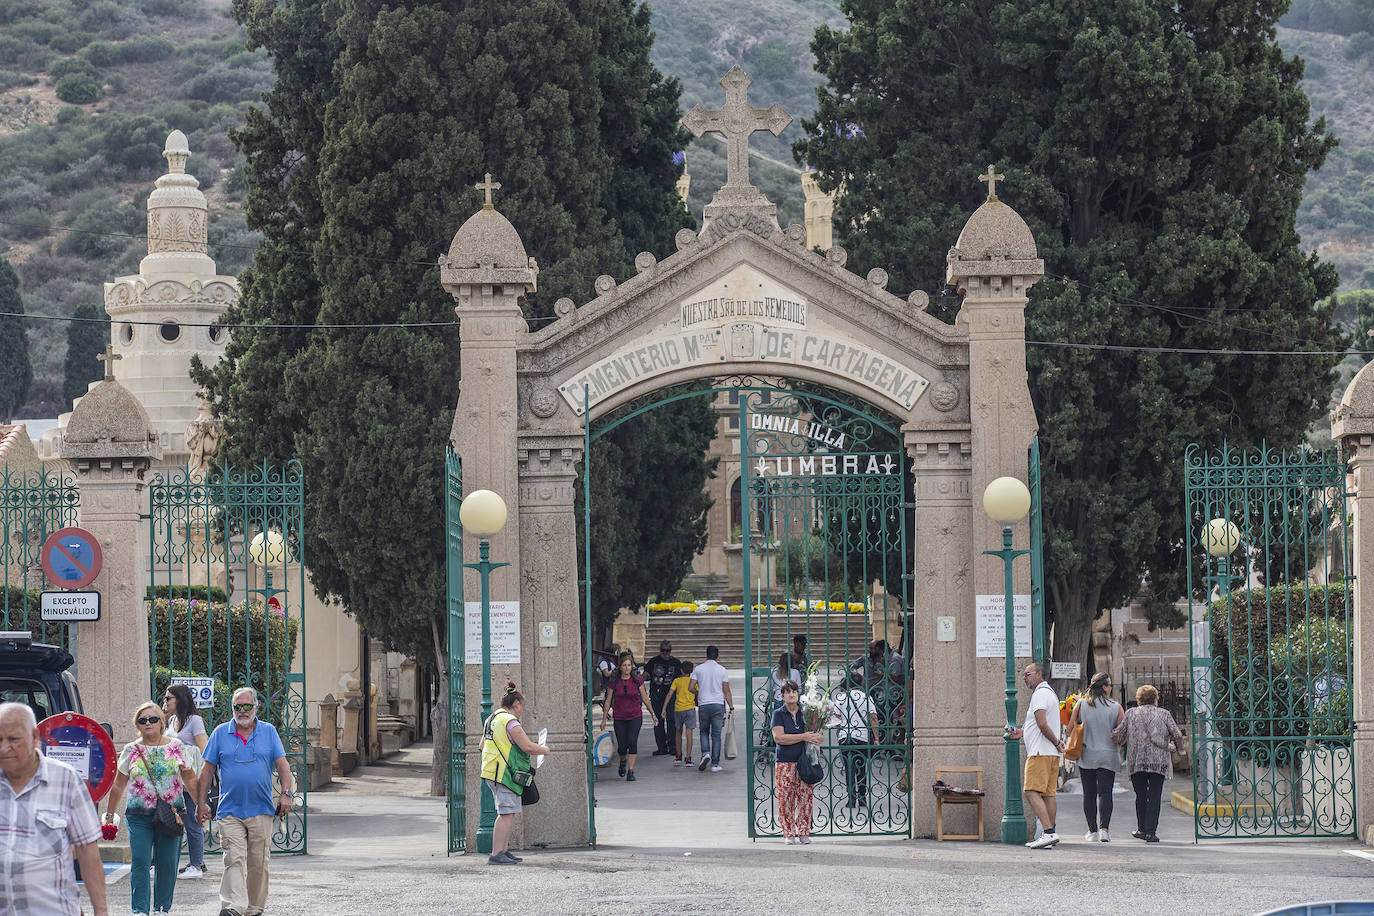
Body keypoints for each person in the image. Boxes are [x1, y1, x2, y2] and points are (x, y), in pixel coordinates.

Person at [0, 701, 109, 916]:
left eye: (13, 739)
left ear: (34, 737)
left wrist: (101, 910)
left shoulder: (66, 779)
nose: (4, 748)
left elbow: (87, 849)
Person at [196, 686, 293, 916]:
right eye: (237, 707)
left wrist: (286, 794)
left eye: (247, 706)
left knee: (258, 863)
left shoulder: (269, 732)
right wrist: (201, 803)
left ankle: (254, 908)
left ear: (256, 707)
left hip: (261, 809)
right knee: (233, 858)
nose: (242, 711)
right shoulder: (220, 733)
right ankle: (232, 907)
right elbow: (206, 771)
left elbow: (283, 766)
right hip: (229, 811)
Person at [102, 700, 198, 914]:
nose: (148, 723)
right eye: (143, 720)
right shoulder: (131, 750)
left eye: (153, 719)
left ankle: (162, 908)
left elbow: (190, 778)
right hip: (138, 815)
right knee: (141, 861)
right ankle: (139, 910)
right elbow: (118, 784)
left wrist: (200, 805)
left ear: (161, 722)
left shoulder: (176, 747)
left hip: (170, 814)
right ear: (137, 724)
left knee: (167, 863)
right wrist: (110, 813)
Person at [480, 681, 551, 865]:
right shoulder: (511, 722)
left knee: (508, 812)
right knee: (506, 813)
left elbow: (481, 745)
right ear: (516, 704)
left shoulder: (492, 718)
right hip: (504, 773)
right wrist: (544, 749)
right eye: (522, 706)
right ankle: (496, 853)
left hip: (492, 771)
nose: (522, 710)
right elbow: (527, 746)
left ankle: (503, 850)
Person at [1113, 684, 1184, 843]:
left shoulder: (1131, 713)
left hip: (1137, 762)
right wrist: (1180, 750)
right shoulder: (1164, 714)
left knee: (1141, 796)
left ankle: (1142, 829)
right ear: (1155, 699)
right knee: (1154, 796)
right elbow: (1177, 734)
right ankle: (1151, 832)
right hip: (1158, 762)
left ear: (1139, 699)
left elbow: (1118, 735)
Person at [1007, 661, 1064, 849]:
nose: (1024, 678)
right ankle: (1049, 834)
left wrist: (1056, 742)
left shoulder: (1039, 694)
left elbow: (1041, 723)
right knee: (1048, 794)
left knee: (1030, 791)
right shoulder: (1049, 694)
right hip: (1050, 753)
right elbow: (1038, 725)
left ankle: (1047, 832)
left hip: (1040, 752)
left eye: (1027, 674)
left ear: (1039, 675)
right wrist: (1023, 732)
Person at [1069, 671, 1124, 842]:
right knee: (1106, 793)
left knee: (1089, 794)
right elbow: (1123, 733)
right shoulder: (1116, 707)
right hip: (1108, 755)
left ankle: (1092, 831)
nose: (1110, 688)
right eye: (1109, 685)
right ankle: (1104, 830)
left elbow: (1070, 727)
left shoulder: (1081, 705)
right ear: (1104, 687)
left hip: (1087, 754)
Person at [164, 683, 209, 877]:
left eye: (168, 698)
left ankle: (197, 865)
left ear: (179, 700)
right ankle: (186, 862)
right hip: (173, 781)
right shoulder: (172, 719)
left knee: (192, 819)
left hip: (190, 779)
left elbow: (203, 749)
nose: (164, 701)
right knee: (173, 821)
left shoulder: (194, 721)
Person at [770, 680, 823, 844]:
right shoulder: (778, 713)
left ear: (798, 694)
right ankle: (788, 833)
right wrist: (803, 736)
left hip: (804, 762)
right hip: (785, 762)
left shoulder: (806, 713)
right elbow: (779, 738)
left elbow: (818, 734)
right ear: (782, 696)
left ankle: (804, 832)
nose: (791, 694)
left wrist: (817, 737)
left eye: (794, 691)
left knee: (805, 798)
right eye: (788, 692)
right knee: (785, 799)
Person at [600, 652, 657, 781]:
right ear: (620, 667)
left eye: (629, 665)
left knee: (632, 741)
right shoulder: (614, 682)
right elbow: (608, 701)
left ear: (632, 667)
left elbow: (645, 699)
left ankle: (630, 771)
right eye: (624, 665)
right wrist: (604, 718)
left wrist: (653, 714)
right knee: (622, 746)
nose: (626, 668)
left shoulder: (637, 681)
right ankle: (622, 761)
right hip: (619, 717)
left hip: (635, 716)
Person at [830, 675, 878, 809]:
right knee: (861, 769)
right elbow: (873, 719)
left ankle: (851, 800)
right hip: (862, 737)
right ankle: (862, 798)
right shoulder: (866, 697)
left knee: (849, 769)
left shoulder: (841, 698)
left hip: (845, 738)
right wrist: (877, 739)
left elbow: (837, 720)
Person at [693, 645, 734, 772]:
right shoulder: (722, 670)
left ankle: (705, 753)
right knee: (716, 735)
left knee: (703, 731)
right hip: (717, 704)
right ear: (717, 656)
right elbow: (726, 691)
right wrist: (731, 707)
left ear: (706, 655)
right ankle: (715, 764)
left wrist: (697, 694)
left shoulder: (698, 669)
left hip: (704, 704)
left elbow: (690, 687)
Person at [643, 640, 682, 757]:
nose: (665, 653)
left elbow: (681, 678)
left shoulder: (676, 663)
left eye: (667, 650)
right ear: (659, 650)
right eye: (663, 650)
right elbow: (644, 675)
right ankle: (662, 747)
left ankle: (673, 747)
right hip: (656, 696)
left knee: (672, 721)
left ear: (671, 651)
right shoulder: (653, 661)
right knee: (658, 722)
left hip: (671, 696)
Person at [661, 660, 698, 767]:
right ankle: (688, 758)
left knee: (678, 732)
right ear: (691, 671)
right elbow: (697, 694)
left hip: (678, 709)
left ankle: (678, 755)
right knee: (689, 733)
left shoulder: (676, 681)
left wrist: (664, 708)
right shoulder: (693, 681)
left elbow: (669, 695)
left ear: (681, 670)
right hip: (690, 709)